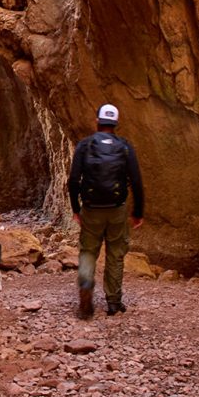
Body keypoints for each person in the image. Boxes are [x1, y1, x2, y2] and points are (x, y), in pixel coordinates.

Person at [67, 103, 144, 318]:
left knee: (88, 253)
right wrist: (138, 211)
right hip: (117, 209)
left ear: (97, 122)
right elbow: (136, 181)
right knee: (115, 255)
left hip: (91, 209)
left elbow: (73, 180)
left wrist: (76, 208)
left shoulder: (84, 145)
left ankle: (85, 288)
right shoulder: (125, 146)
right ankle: (113, 302)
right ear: (115, 123)